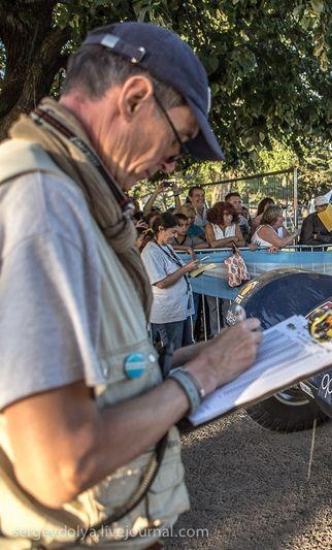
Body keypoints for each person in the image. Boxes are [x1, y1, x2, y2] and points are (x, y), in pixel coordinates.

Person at [0, 22, 263, 548]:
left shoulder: (72, 199)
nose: (172, 164)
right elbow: (58, 464)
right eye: (180, 139)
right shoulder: (46, 206)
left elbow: (94, 374)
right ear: (136, 98)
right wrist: (203, 376)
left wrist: (176, 363)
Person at [141, 212, 200, 375]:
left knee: (187, 346)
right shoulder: (150, 252)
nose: (175, 236)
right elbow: (161, 283)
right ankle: (172, 381)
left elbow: (177, 271)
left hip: (180, 308)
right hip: (167, 311)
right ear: (161, 229)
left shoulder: (165, 246)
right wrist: (185, 269)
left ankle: (186, 376)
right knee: (174, 352)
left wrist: (192, 271)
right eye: (173, 232)